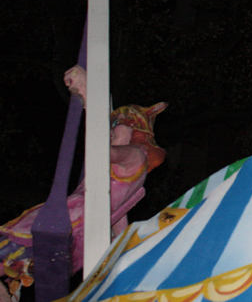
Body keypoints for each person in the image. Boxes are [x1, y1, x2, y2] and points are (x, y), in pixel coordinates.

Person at [0, 67, 166, 300]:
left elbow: (100, 147)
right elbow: (119, 230)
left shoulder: (135, 156)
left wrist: (88, 94)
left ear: (133, 130)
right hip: (74, 235)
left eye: (115, 126)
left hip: (66, 220)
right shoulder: (134, 182)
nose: (110, 132)